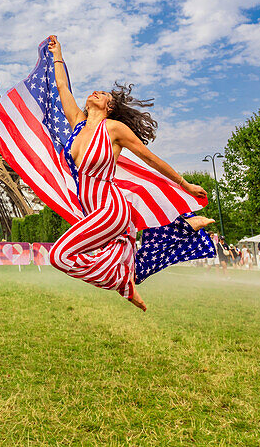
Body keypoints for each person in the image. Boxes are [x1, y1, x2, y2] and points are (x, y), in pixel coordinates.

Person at [43, 36, 213, 312]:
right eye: (95, 91)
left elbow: (150, 159)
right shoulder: (77, 123)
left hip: (110, 209)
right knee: (82, 257)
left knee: (60, 255)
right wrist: (58, 55)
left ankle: (123, 282)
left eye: (103, 94)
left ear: (109, 107)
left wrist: (185, 184)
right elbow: (61, 85)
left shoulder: (114, 130)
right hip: (92, 212)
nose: (96, 92)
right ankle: (176, 235)